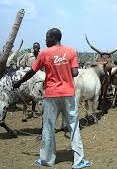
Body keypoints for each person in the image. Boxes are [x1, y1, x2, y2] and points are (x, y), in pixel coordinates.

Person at [13, 28, 91, 168]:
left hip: (51, 95)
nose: (45, 40)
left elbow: (32, 71)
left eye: (47, 37)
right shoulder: (71, 51)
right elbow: (74, 73)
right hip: (68, 95)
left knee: (48, 128)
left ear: (53, 37)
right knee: (74, 126)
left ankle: (47, 160)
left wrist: (19, 82)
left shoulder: (44, 53)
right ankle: (78, 162)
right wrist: (64, 69)